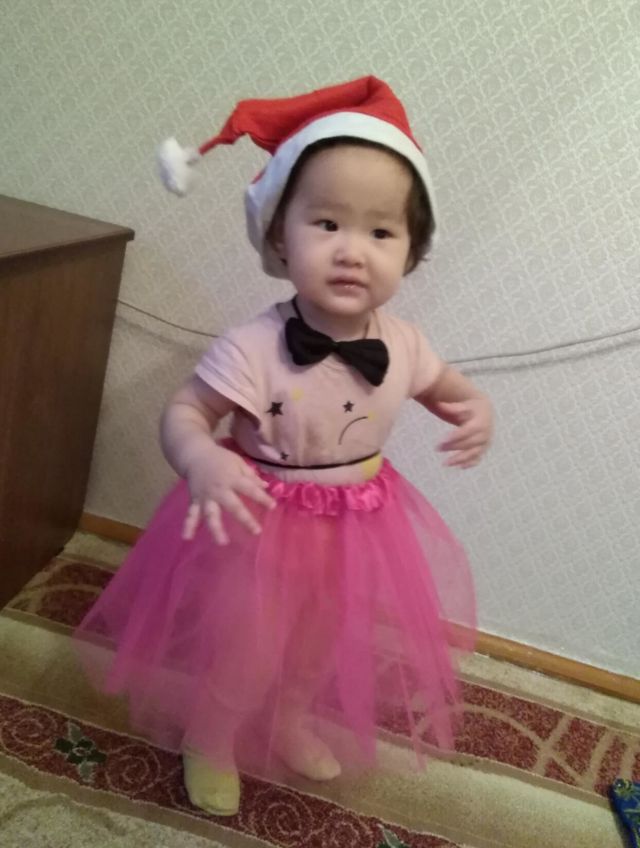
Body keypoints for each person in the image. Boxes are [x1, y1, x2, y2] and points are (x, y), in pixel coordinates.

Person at [74, 76, 493, 817]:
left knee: (318, 644)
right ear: (277, 235)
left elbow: (450, 390)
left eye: (381, 232)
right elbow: (186, 411)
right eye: (326, 223)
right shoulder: (254, 345)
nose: (352, 251)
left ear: (412, 251)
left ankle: (292, 719)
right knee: (251, 646)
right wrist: (200, 457)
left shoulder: (404, 344)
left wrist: (476, 411)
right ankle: (210, 736)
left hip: (357, 526)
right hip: (259, 525)